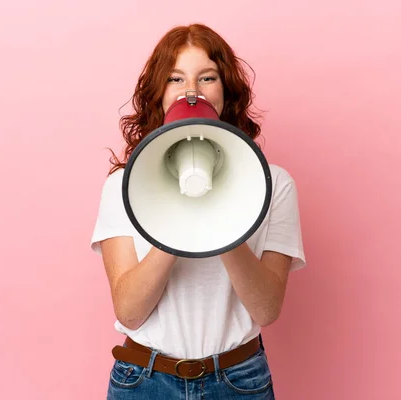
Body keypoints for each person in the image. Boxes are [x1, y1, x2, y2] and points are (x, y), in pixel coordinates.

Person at [90, 23, 306, 399]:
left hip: (239, 381)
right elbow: (129, 311)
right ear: (158, 93)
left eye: (207, 77)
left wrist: (221, 217)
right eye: (175, 78)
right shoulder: (123, 186)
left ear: (226, 92)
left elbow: (267, 308)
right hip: (145, 381)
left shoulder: (274, 185)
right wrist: (179, 219)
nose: (191, 91)